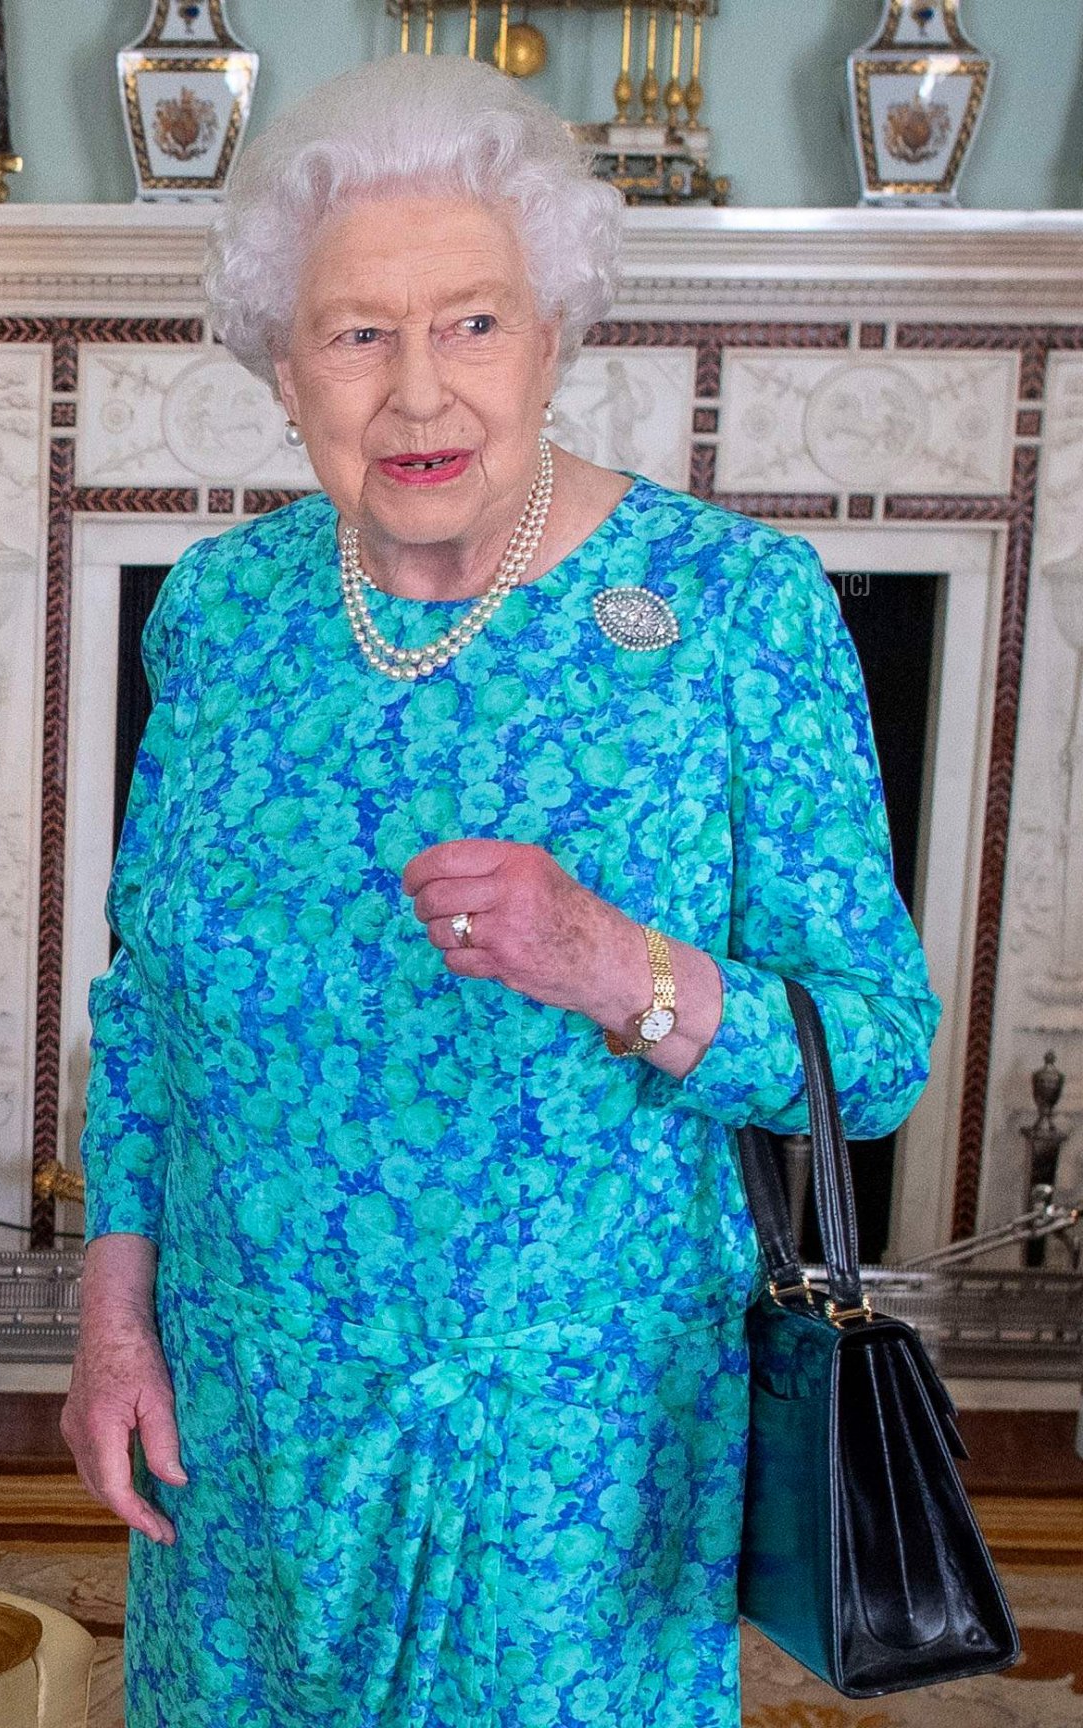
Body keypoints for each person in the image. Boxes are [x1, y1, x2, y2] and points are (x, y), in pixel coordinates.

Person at [62, 51, 942, 1728]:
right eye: (357, 335)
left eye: (471, 323)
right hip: (250, 1420)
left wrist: (615, 963)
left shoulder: (736, 612)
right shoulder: (224, 615)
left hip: (579, 1453)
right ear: (283, 369)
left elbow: (876, 1050)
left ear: (554, 338)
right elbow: (148, 1006)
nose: (419, 394)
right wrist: (114, 1326)